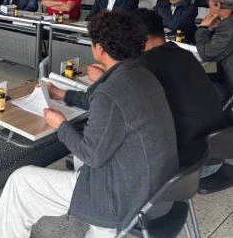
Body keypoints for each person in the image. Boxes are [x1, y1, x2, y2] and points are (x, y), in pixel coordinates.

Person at [0, 11, 178, 238]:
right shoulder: (142, 74)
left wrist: (61, 124)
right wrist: (63, 95)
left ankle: (100, 226)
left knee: (21, 181)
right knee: (77, 160)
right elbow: (101, 99)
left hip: (124, 197)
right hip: (157, 188)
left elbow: (92, 155)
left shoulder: (111, 91)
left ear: (99, 49)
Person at [52, 9, 226, 168]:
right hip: (214, 152)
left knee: (94, 151)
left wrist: (70, 92)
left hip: (187, 164)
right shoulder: (184, 54)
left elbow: (101, 100)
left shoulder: (142, 66)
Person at [195, 0, 233, 99]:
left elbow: (207, 54)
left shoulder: (229, 26)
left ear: (217, 5)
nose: (208, 2)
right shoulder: (226, 22)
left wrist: (203, 28)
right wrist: (213, 29)